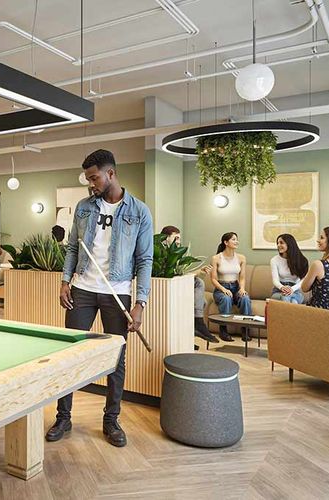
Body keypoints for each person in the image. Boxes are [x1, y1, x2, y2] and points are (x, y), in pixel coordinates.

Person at [46, 149, 153, 448]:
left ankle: (111, 420)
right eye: (88, 178)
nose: (91, 184)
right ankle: (63, 417)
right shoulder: (83, 207)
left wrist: (140, 302)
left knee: (115, 359)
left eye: (94, 178)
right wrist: (65, 281)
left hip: (117, 292)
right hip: (82, 288)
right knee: (69, 354)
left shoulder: (139, 212)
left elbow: (145, 260)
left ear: (111, 174)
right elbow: (72, 248)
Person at [160, 226, 218, 344]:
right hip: (165, 288)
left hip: (176, 285)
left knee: (201, 298)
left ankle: (189, 335)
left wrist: (199, 272)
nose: (179, 241)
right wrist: (197, 273)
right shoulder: (161, 254)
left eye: (179, 239)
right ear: (165, 238)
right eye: (176, 238)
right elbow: (173, 276)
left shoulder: (174, 254)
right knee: (200, 294)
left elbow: (180, 274)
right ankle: (197, 324)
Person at [210, 232, 252, 342]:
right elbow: (214, 279)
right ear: (226, 242)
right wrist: (223, 289)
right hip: (221, 287)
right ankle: (223, 331)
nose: (236, 241)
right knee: (226, 298)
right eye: (233, 239)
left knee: (245, 299)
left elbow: (242, 277)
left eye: (236, 239)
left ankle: (246, 330)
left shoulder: (241, 258)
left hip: (236, 286)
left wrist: (242, 289)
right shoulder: (216, 258)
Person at [270, 233, 308, 304]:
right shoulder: (274, 260)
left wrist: (292, 289)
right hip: (278, 291)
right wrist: (282, 288)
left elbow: (303, 280)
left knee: (290, 299)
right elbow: (275, 280)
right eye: (277, 243)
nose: (278, 245)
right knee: (291, 300)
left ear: (289, 244)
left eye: (281, 243)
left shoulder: (302, 260)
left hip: (295, 291)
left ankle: (284, 315)